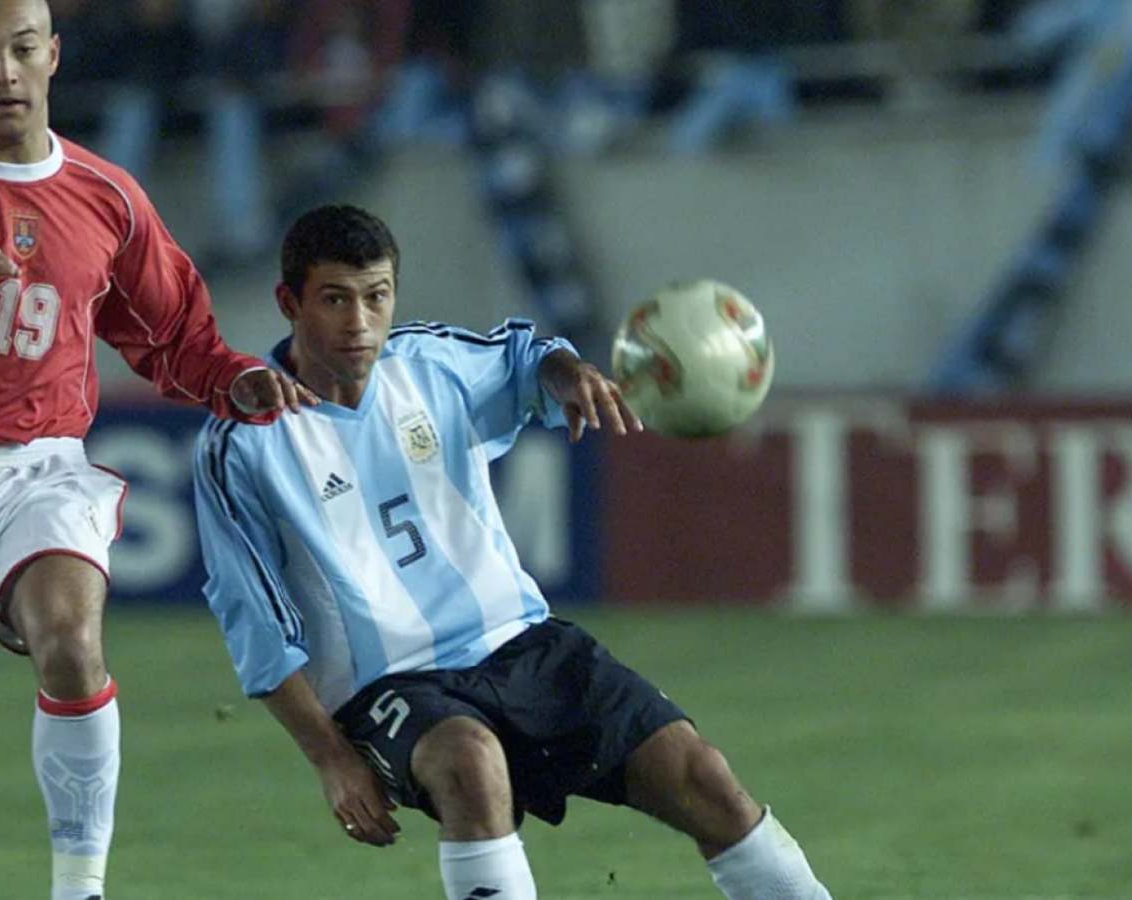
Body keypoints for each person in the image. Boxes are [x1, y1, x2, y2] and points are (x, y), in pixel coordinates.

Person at [192, 203, 835, 900]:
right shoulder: (244, 442)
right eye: (334, 300)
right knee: (469, 764)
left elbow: (528, 354)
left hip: (518, 641)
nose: (358, 323)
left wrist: (567, 375)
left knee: (703, 777)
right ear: (289, 302)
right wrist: (332, 761)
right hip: (387, 686)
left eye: (375, 297)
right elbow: (253, 622)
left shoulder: (429, 364)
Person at [0, 2, 312, 898]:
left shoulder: (107, 196)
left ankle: (79, 889)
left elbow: (173, 332)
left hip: (41, 467)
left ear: (52, 55)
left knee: (69, 639)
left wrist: (231, 377)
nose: (3, 70)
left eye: (18, 49)